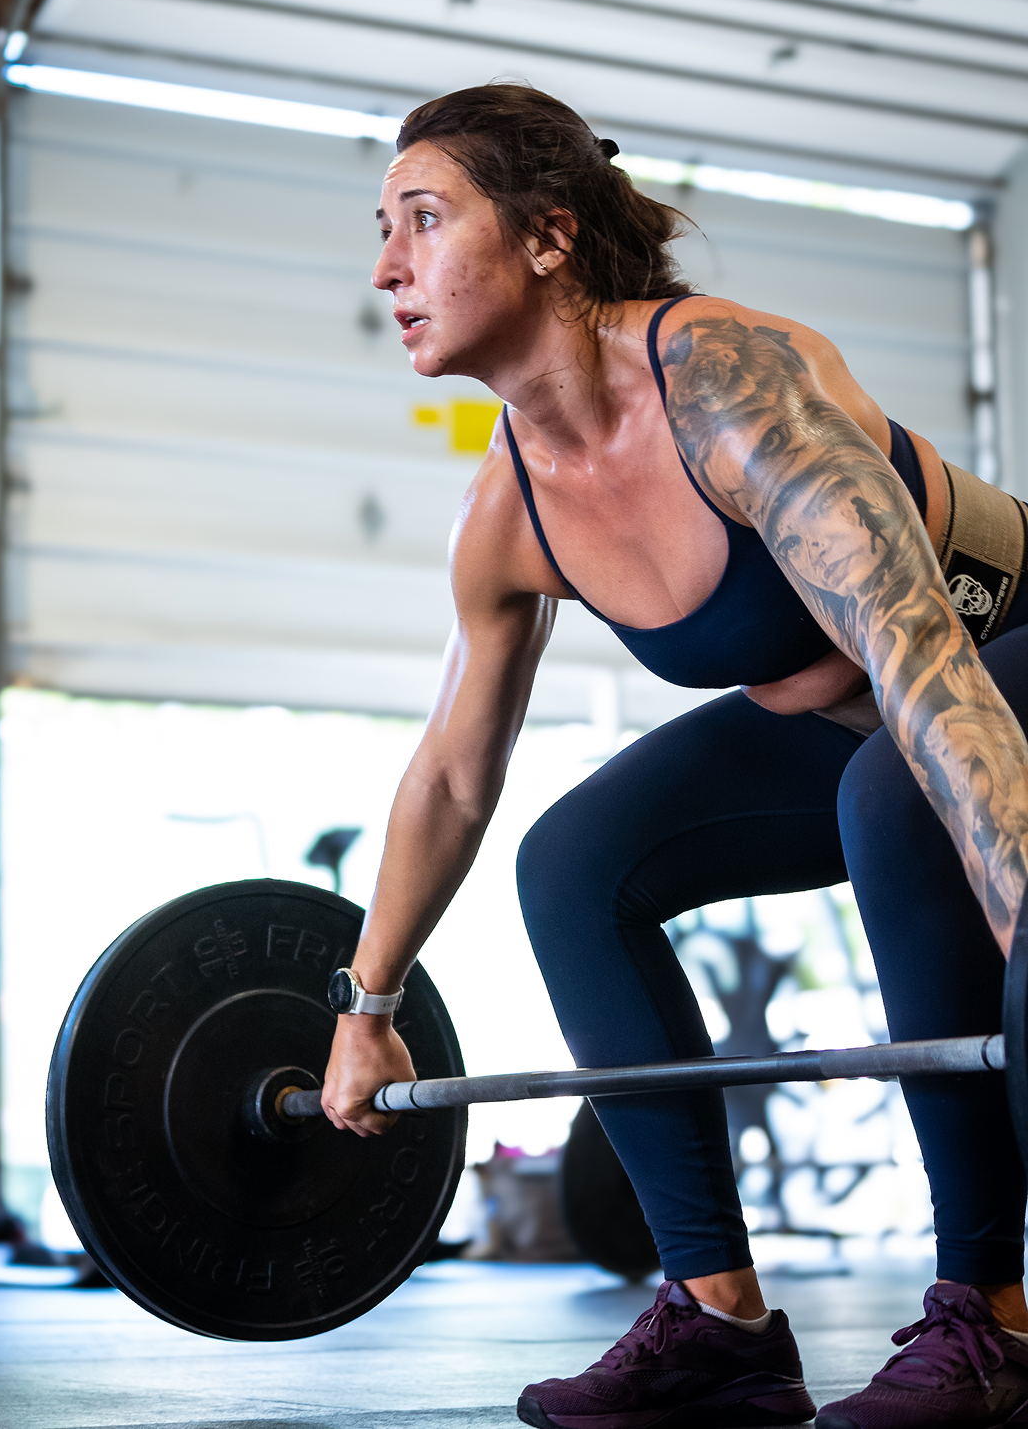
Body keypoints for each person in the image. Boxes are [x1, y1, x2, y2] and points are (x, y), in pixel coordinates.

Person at [319, 82, 1028, 1429]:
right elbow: (454, 777)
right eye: (383, 228)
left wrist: (1023, 917)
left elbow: (924, 663)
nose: (387, 267)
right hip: (868, 725)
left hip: (996, 668)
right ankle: (718, 1323)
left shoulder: (728, 388)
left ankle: (994, 1318)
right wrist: (363, 1006)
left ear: (547, 238)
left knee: (895, 791)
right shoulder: (508, 510)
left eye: (424, 218)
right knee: (576, 859)